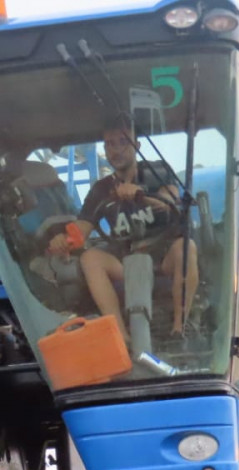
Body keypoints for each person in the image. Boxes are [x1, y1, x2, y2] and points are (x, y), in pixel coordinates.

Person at [46, 117, 197, 342]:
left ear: (137, 145)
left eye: (122, 142)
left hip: (164, 258)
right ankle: (121, 337)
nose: (116, 150)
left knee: (186, 247)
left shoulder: (157, 171)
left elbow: (171, 199)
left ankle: (179, 330)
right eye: (109, 144)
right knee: (90, 258)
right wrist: (62, 241)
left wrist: (141, 195)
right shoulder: (101, 190)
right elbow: (81, 230)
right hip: (127, 262)